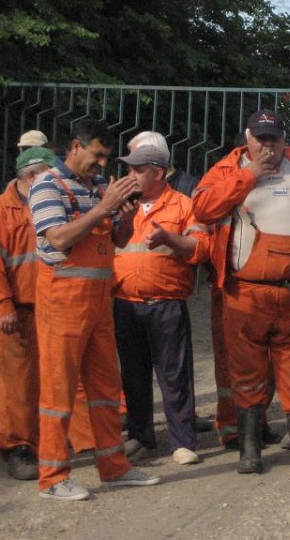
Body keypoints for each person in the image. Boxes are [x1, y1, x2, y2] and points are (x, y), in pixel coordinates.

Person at [192, 109, 290, 476]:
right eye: (260, 138)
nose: (268, 145)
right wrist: (248, 176)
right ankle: (249, 451)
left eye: (274, 138)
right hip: (245, 294)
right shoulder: (228, 169)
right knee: (247, 373)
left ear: (284, 138)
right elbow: (203, 209)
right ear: (247, 138)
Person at [30, 118, 161, 501]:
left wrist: (125, 217)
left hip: (99, 301)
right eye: (98, 155)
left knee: (105, 389)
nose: (103, 164)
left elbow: (117, 239)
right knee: (59, 391)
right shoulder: (47, 186)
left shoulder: (98, 187)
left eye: (106, 157)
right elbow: (58, 237)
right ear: (75, 146)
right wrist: (104, 206)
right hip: (62, 301)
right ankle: (52, 477)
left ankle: (114, 467)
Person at [0, 147, 97, 480]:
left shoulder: (52, 198)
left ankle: (83, 442)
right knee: (16, 385)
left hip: (56, 304)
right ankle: (19, 448)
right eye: (48, 175)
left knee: (64, 377)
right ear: (32, 176)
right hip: (17, 312)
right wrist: (1, 305)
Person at [112, 144, 212, 466]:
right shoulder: (120, 208)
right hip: (125, 304)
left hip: (166, 304)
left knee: (174, 375)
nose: (131, 176)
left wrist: (171, 238)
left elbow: (201, 246)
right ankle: (141, 437)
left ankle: (182, 441)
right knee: (133, 376)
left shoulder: (184, 205)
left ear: (157, 173)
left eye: (137, 170)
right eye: (128, 170)